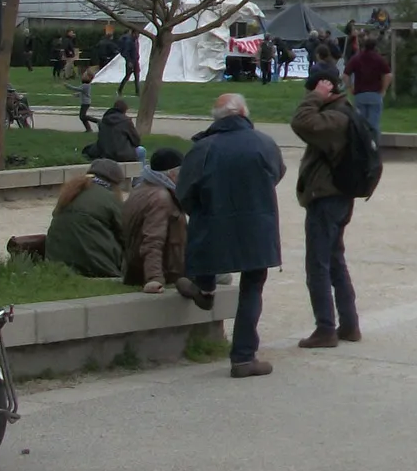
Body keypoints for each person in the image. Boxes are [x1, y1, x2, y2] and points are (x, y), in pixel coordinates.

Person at [176, 91, 285, 379]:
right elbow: (277, 173)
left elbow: (185, 192)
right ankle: (243, 357)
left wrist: (200, 210)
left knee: (208, 259)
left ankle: (205, 290)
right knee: (253, 285)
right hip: (257, 225)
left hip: (212, 223)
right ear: (244, 114)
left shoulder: (202, 149)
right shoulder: (264, 143)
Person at [290, 73, 362, 348]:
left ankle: (325, 328)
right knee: (334, 260)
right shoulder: (346, 112)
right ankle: (349, 324)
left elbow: (300, 122)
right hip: (340, 196)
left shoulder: (335, 118)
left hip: (327, 196)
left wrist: (315, 97)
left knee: (318, 264)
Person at [45, 159, 128, 278]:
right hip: (94, 262)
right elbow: (126, 233)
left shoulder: (71, 192)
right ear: (115, 183)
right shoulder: (110, 198)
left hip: (57, 258)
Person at [120, 147, 187, 293]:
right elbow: (152, 242)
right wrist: (155, 278)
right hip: (167, 272)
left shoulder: (141, 189)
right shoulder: (161, 199)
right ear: (172, 174)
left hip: (135, 269)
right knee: (222, 278)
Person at [345, 34, 392, 134]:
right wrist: (383, 90)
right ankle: (373, 144)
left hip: (360, 94)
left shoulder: (356, 58)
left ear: (363, 46)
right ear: (375, 46)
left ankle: (361, 146)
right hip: (375, 94)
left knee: (360, 124)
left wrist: (350, 87)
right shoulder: (379, 59)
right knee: (374, 125)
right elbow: (388, 75)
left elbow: (345, 75)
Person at [88, 98, 140, 162]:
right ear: (124, 110)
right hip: (124, 155)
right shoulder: (126, 121)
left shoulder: (103, 121)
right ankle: (141, 171)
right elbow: (136, 141)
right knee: (141, 151)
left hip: (106, 154)